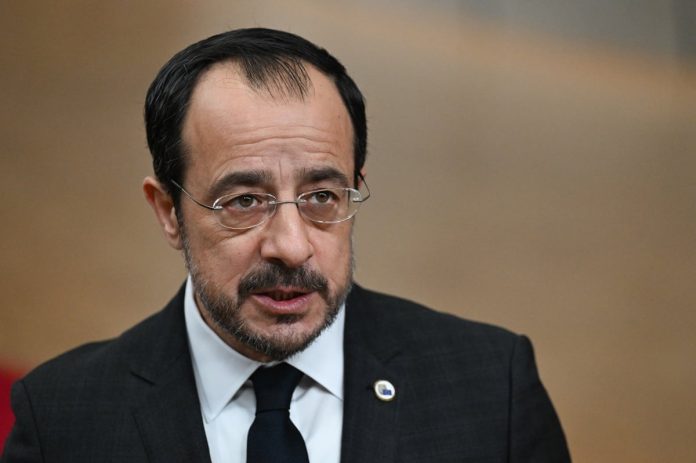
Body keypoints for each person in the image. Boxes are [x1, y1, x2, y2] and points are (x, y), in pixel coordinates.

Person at [1, 28, 570, 462]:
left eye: (321, 196)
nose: (292, 247)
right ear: (169, 212)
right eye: (244, 201)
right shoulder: (62, 421)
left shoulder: (492, 389)